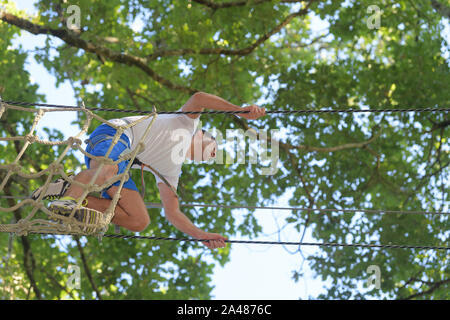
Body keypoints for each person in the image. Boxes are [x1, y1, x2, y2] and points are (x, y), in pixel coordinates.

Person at [33, 92, 266, 249]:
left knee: (139, 220)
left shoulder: (171, 170)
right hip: (116, 136)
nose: (214, 155)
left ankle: (68, 192)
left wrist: (200, 235)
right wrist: (237, 110)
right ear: (201, 135)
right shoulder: (187, 123)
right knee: (108, 170)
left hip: (121, 164)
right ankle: (69, 197)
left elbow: (173, 213)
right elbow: (199, 98)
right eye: (214, 147)